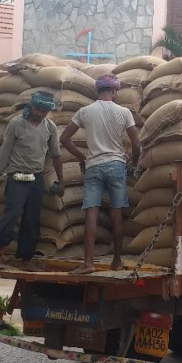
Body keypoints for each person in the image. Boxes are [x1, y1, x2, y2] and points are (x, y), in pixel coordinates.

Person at [61, 75, 140, 274]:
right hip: (116, 165)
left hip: (94, 166)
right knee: (116, 215)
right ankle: (117, 261)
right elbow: (137, 143)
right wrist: (134, 161)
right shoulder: (124, 112)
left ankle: (88, 264)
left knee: (91, 214)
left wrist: (83, 157)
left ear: (98, 91)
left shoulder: (84, 111)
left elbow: (65, 138)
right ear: (113, 92)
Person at [0, 91, 65, 271]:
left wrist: (61, 181)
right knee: (12, 214)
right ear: (32, 106)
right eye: (39, 108)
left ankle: (26, 259)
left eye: (45, 110)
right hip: (17, 176)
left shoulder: (50, 127)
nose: (41, 112)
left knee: (32, 219)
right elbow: (4, 152)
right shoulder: (16, 123)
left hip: (36, 177)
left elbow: (56, 155)